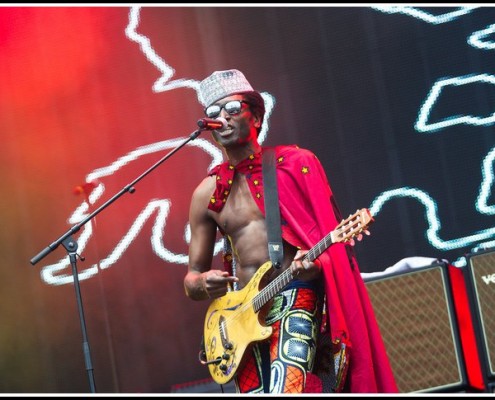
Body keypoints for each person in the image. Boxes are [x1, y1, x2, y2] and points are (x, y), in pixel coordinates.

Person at [183, 69, 398, 394]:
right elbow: (191, 278)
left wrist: (314, 264)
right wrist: (202, 282)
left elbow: (326, 238)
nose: (221, 118)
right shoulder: (206, 193)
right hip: (241, 313)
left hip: (294, 292)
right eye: (213, 114)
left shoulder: (296, 163)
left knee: (288, 389)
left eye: (231, 109)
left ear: (255, 116)